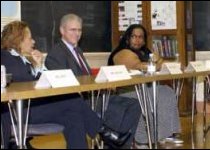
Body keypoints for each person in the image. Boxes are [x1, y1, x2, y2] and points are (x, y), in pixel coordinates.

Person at [0, 21, 129, 149]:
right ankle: (105, 132)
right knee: (71, 98)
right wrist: (37, 69)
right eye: (30, 38)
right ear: (18, 40)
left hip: (33, 107)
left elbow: (44, 82)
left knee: (74, 116)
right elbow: (25, 83)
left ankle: (105, 133)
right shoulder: (6, 57)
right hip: (19, 112)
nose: (33, 42)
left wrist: (39, 66)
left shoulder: (24, 59)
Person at [44, 14, 141, 148]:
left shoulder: (77, 50)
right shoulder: (56, 53)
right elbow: (63, 83)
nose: (77, 34)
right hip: (79, 102)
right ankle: (111, 139)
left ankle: (116, 144)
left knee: (135, 105)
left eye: (79, 30)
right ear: (62, 30)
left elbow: (88, 77)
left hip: (95, 96)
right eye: (73, 30)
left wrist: (104, 83)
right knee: (116, 110)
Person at [108, 24, 183, 145]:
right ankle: (142, 139)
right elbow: (139, 67)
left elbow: (162, 64)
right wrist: (157, 63)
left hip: (144, 88)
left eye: (141, 37)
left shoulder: (145, 52)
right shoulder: (122, 52)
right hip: (126, 92)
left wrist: (162, 63)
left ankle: (166, 133)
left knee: (166, 91)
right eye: (134, 36)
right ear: (127, 38)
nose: (138, 40)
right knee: (152, 96)